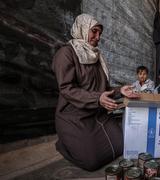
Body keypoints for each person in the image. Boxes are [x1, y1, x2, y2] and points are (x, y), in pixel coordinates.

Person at [52, 14, 139, 171]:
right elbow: (66, 88)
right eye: (94, 31)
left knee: (120, 146)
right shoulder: (66, 53)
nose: (98, 37)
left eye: (100, 33)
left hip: (98, 115)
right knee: (91, 162)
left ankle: (81, 141)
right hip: (75, 117)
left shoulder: (96, 56)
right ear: (82, 29)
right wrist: (98, 98)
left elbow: (103, 90)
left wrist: (121, 91)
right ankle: (64, 143)